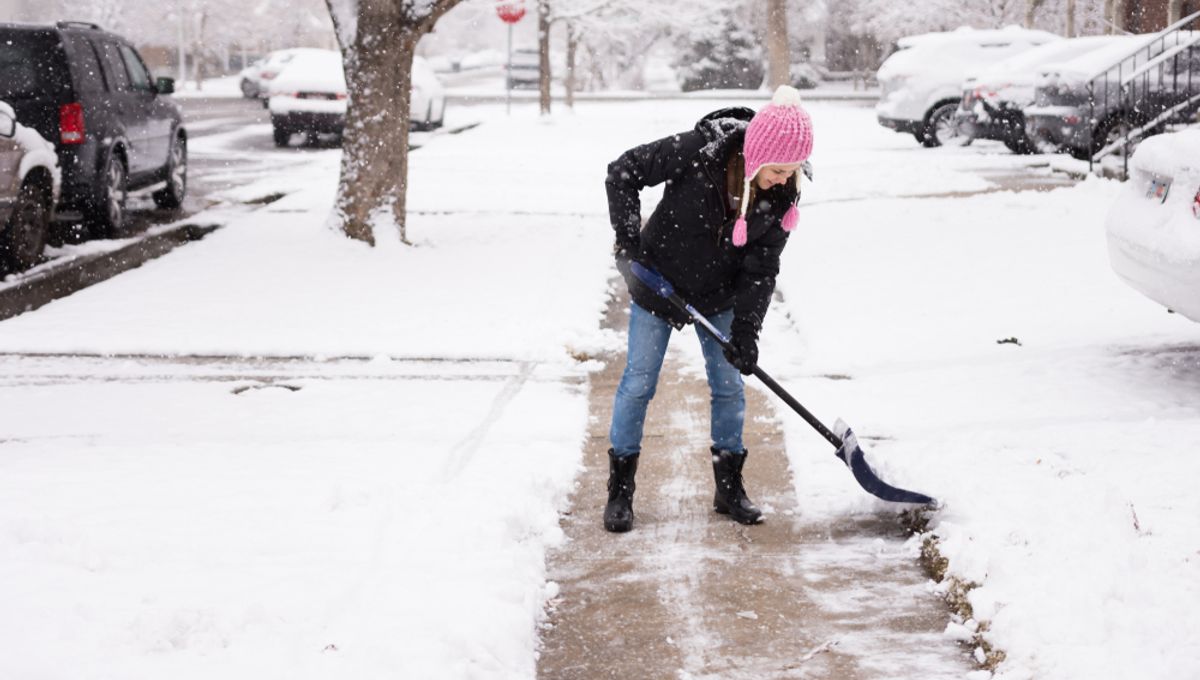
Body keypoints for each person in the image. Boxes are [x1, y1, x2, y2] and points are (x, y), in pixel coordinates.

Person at [602, 85, 814, 533]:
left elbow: (761, 270)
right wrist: (628, 241)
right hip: (657, 283)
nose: (783, 179)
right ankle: (620, 492)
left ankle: (729, 487)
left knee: (729, 385)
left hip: (719, 295)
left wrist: (747, 332)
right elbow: (623, 171)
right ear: (757, 156)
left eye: (792, 172)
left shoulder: (781, 198)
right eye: (777, 169)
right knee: (638, 383)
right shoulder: (697, 152)